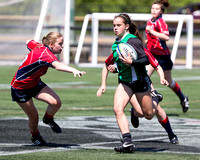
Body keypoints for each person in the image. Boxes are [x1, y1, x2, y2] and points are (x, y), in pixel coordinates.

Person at [11, 32, 86, 146]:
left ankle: (48, 119)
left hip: (35, 83)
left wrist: (32, 44)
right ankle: (35, 136)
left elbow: (28, 41)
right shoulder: (46, 54)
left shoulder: (39, 47)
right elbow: (58, 66)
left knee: (56, 103)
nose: (62, 46)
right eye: (60, 44)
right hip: (20, 87)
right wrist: (73, 70)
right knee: (34, 116)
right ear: (51, 44)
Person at [97, 13, 154, 153]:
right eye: (114, 25)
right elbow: (120, 64)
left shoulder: (133, 41)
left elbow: (146, 60)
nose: (115, 28)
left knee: (148, 114)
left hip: (140, 81)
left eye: (119, 25)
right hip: (125, 83)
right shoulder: (116, 44)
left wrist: (132, 62)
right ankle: (127, 141)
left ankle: (146, 105)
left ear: (127, 26)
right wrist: (115, 69)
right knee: (117, 108)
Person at [105, 46, 179, 144]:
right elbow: (111, 65)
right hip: (128, 85)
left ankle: (171, 134)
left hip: (142, 82)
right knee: (139, 112)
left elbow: (153, 64)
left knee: (154, 111)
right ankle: (134, 116)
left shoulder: (138, 48)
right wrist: (113, 69)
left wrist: (161, 77)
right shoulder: (119, 49)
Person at [145, 0, 189, 113]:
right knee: (144, 76)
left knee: (169, 81)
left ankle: (183, 98)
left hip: (163, 56)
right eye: (152, 8)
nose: (154, 10)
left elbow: (166, 37)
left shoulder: (160, 22)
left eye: (157, 9)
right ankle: (147, 100)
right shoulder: (149, 21)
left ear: (161, 11)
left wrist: (152, 32)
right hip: (152, 55)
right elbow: (152, 37)